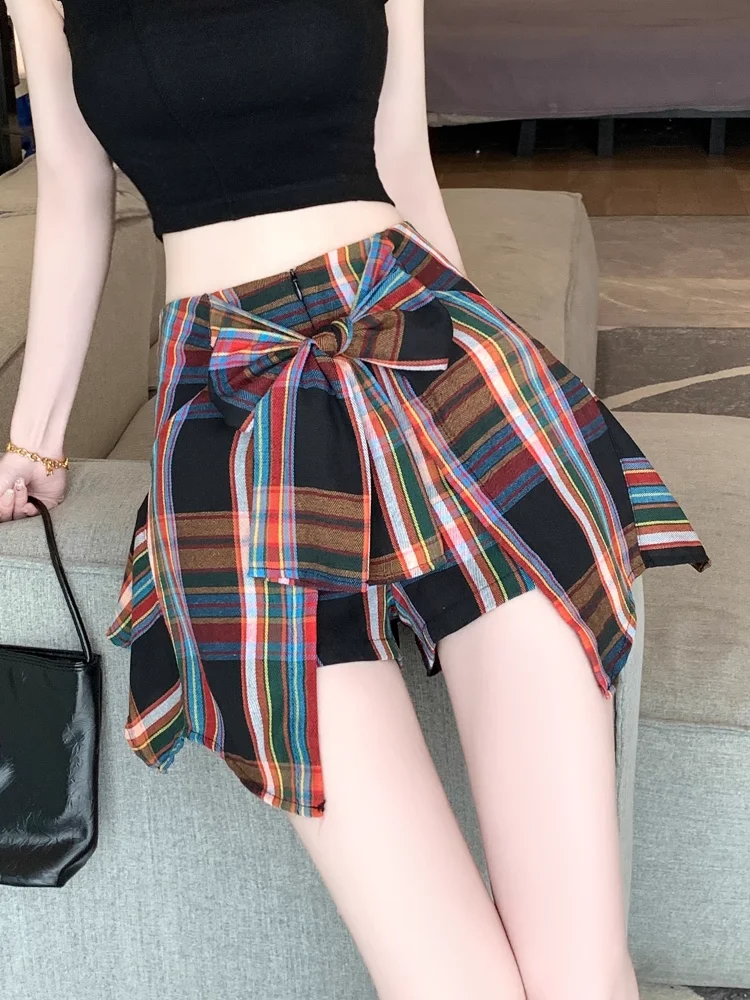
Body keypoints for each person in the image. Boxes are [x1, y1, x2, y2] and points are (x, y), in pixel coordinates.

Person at [0, 1, 711, 998]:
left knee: (579, 969)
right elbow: (76, 192)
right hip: (230, 406)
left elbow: (401, 157)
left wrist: (458, 407)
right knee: (448, 982)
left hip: (426, 344)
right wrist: (34, 439)